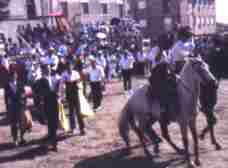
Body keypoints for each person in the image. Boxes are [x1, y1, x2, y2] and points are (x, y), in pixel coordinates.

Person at [39, 65, 59, 151]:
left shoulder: (54, 78)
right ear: (43, 71)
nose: (49, 70)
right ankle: (54, 144)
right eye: (47, 69)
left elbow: (58, 89)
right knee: (51, 124)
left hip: (55, 103)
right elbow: (41, 93)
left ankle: (52, 141)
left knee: (55, 123)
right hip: (48, 104)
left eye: (49, 69)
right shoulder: (41, 80)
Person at [63, 63, 85, 135]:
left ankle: (82, 128)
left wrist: (75, 82)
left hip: (75, 93)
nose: (69, 68)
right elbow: (62, 84)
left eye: (70, 66)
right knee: (71, 112)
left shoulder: (75, 73)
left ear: (72, 66)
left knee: (78, 112)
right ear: (66, 67)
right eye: (68, 67)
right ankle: (73, 128)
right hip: (69, 94)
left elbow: (79, 81)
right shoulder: (64, 74)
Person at [6, 71, 26, 146]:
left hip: (20, 105)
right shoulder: (7, 85)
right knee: (14, 124)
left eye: (15, 75)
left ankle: (22, 137)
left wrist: (23, 100)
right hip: (12, 107)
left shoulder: (20, 83)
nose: (14, 76)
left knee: (22, 123)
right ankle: (15, 139)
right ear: (10, 77)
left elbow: (24, 93)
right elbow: (6, 97)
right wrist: (8, 107)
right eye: (13, 75)